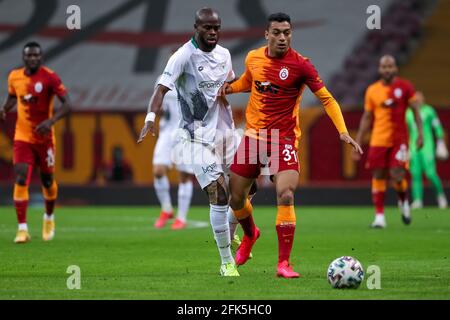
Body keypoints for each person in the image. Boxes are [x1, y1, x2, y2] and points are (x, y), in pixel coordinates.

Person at [220, 13, 362, 278]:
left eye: (287, 32)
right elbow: (249, 83)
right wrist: (229, 89)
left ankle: (283, 264)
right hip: (253, 137)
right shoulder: (254, 57)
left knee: (285, 193)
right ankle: (251, 235)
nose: (282, 37)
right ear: (267, 34)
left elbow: (328, 99)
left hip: (283, 139)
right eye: (277, 32)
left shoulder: (301, 66)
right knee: (236, 196)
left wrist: (342, 131)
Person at [138, 8, 240, 276]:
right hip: (194, 137)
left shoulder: (224, 55)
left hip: (224, 132)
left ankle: (231, 228)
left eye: (217, 27)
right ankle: (227, 260)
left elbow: (230, 85)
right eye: (207, 28)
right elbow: (160, 90)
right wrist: (150, 118)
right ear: (196, 27)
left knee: (244, 188)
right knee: (219, 193)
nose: (213, 32)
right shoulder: (182, 56)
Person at [0, 42, 71, 243]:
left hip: (45, 139)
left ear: (41, 57)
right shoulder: (14, 76)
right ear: (24, 58)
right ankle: (22, 229)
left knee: (47, 181)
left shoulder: (49, 77)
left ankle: (49, 217)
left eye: (36, 55)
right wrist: (5, 109)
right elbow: (13, 96)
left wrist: (51, 121)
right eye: (29, 55)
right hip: (23, 137)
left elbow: (68, 104)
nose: (33, 58)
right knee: (21, 177)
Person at [354, 55, 424, 228]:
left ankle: (404, 201)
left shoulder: (405, 87)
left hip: (399, 140)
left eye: (390, 66)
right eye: (384, 66)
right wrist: (358, 141)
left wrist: (420, 134)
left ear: (395, 68)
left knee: (397, 175)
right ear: (379, 69)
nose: (387, 69)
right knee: (378, 175)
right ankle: (379, 217)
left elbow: (416, 112)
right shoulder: (372, 90)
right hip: (378, 139)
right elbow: (367, 117)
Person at [152, 87, 194, 230]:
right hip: (167, 132)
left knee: (184, 175)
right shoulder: (162, 80)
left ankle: (181, 218)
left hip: (186, 132)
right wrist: (158, 111)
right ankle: (167, 209)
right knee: (158, 171)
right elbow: (159, 104)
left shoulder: (192, 77)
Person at [406, 91, 448, 209]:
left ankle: (440, 195)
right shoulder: (408, 113)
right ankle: (418, 200)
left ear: (423, 99)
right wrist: (406, 147)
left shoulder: (429, 111)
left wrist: (440, 143)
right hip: (413, 146)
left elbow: (437, 126)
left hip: (427, 146)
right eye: (415, 99)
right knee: (415, 174)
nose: (417, 100)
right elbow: (405, 131)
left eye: (419, 98)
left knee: (430, 173)